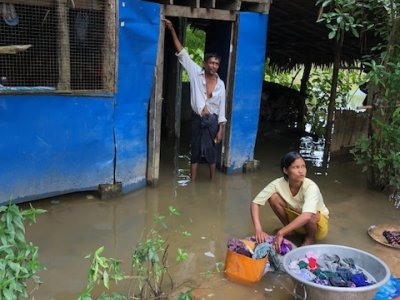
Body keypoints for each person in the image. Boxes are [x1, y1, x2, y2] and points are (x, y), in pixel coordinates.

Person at [163, 19, 227, 181]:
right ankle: (192, 180)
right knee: (196, 150)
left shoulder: (220, 84)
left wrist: (221, 129)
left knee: (212, 151)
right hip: (197, 119)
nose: (213, 66)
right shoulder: (195, 73)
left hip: (212, 121)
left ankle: (212, 180)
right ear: (204, 63)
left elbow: (222, 108)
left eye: (216, 64)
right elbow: (182, 53)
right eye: (211, 63)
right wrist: (171, 30)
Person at [250, 151, 329, 252]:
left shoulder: (310, 187)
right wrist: (258, 230)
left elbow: (307, 216)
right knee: (274, 198)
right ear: (286, 170)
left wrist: (281, 233)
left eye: (303, 166)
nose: (301, 171)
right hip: (297, 216)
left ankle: (310, 239)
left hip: (317, 227)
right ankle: (291, 231)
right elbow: (255, 203)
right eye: (296, 167)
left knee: (312, 214)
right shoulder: (278, 183)